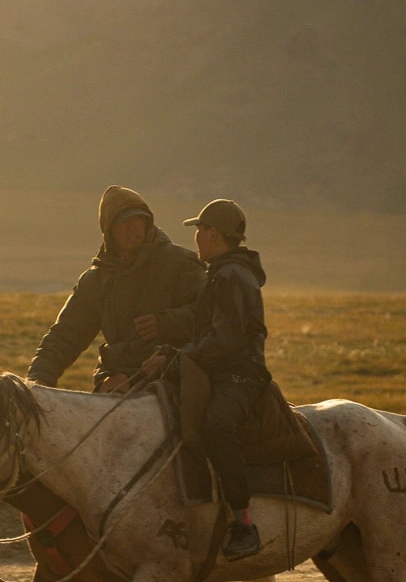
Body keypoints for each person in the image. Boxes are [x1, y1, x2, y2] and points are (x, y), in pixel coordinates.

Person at [143, 198, 268, 561]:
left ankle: (244, 523)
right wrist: (172, 352)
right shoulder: (222, 272)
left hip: (240, 374)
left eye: (199, 230)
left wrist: (181, 357)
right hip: (219, 369)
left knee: (216, 426)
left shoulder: (231, 276)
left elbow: (226, 341)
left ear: (213, 234)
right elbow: (209, 336)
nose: (195, 237)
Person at [26, 187, 205, 391]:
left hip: (172, 370)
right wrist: (38, 381)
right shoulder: (96, 281)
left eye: (139, 219)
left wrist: (165, 323)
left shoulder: (181, 264)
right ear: (109, 229)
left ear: (148, 222)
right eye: (124, 221)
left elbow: (213, 315)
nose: (133, 227)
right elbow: (66, 335)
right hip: (116, 376)